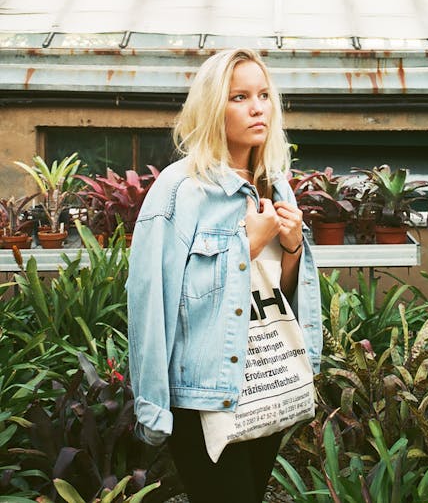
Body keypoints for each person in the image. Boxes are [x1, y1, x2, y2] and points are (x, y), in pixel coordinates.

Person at [127, 48, 322, 503]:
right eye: (239, 97)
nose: (257, 108)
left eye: (264, 95)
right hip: (206, 396)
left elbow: (280, 292)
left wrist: (292, 248)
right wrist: (246, 244)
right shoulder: (180, 190)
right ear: (214, 106)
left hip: (266, 379)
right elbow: (152, 301)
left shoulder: (276, 184)